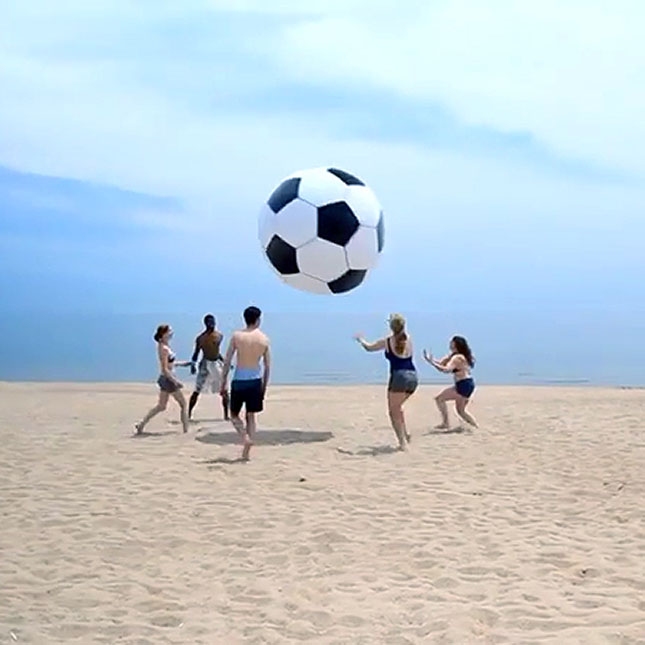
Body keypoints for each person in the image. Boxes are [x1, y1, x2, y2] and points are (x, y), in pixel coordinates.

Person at [354, 313, 418, 451]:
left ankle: (402, 443)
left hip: (399, 376)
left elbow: (369, 348)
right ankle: (405, 435)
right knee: (398, 408)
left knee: (393, 411)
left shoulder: (388, 341)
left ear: (391, 326)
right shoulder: (409, 339)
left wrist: (361, 340)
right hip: (413, 376)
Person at [220, 306, 271, 461]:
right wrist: (264, 386)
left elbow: (227, 361)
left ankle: (244, 437)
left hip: (239, 380)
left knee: (234, 415)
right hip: (255, 380)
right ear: (258, 319)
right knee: (251, 415)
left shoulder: (237, 336)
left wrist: (223, 382)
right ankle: (246, 454)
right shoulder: (263, 339)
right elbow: (267, 366)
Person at [135, 324, 191, 434]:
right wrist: (176, 381)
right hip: (168, 379)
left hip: (165, 379)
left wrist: (183, 364)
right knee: (183, 404)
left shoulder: (165, 346)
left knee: (161, 406)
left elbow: (171, 363)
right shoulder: (164, 348)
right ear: (163, 334)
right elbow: (165, 369)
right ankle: (186, 430)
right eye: (169, 331)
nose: (171, 333)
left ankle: (141, 424)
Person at [423, 335, 478, 429]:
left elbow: (446, 369)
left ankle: (446, 423)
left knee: (439, 399)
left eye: (452, 342)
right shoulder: (452, 356)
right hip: (466, 384)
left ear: (456, 344)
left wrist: (432, 363)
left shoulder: (458, 357)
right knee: (461, 411)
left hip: (464, 384)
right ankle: (475, 426)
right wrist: (431, 360)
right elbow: (441, 364)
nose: (450, 344)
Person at [188, 314, 229, 421]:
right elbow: (196, 353)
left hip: (216, 364)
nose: (211, 324)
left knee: (224, 390)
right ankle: (188, 414)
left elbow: (216, 352)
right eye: (209, 322)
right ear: (205, 323)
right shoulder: (201, 338)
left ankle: (226, 415)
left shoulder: (219, 336)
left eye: (213, 321)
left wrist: (225, 361)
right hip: (205, 364)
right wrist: (193, 364)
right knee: (197, 389)